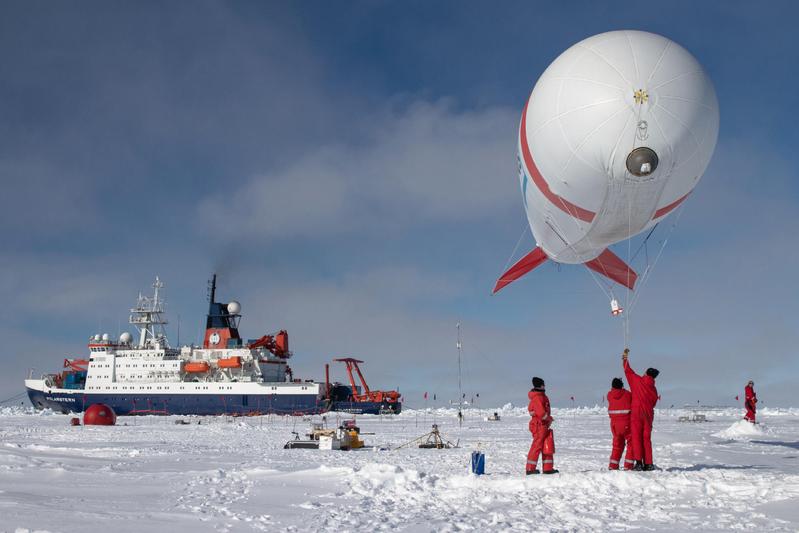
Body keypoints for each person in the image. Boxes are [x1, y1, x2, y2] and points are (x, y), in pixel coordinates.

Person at [622, 349, 659, 471]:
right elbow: (653, 403)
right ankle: (648, 463)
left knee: (637, 438)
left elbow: (628, 370)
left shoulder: (637, 381)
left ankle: (638, 463)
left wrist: (625, 357)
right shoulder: (653, 389)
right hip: (648, 415)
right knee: (646, 439)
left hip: (637, 414)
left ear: (646, 373)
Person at [526, 376, 558, 475]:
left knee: (547, 445)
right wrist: (549, 418)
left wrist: (547, 419)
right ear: (540, 386)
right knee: (536, 446)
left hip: (543, 425)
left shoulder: (542, 396)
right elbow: (541, 413)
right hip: (539, 426)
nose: (545, 386)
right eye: (543, 384)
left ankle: (548, 468)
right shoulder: (538, 398)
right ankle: (530, 469)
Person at [607, 377, 634, 470]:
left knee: (617, 446)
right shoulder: (627, 394)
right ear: (621, 385)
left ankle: (613, 465)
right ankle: (628, 466)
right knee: (631, 444)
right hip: (626, 424)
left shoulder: (609, 395)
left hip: (614, 426)